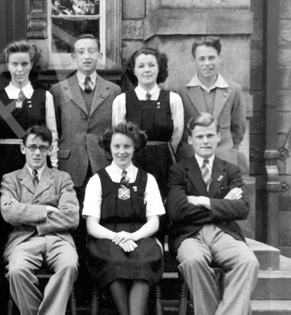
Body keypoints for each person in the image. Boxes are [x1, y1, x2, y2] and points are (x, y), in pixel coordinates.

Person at [167, 113, 259, 315]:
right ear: (190, 139)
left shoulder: (230, 170)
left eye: (210, 135)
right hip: (190, 234)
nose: (205, 141)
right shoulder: (178, 170)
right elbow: (177, 211)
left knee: (248, 262)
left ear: (218, 137)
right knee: (193, 261)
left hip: (224, 233)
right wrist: (221, 204)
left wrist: (203, 201)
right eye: (200, 136)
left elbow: (241, 209)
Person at [83, 122, 164, 315]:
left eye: (127, 146)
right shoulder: (98, 180)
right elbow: (92, 225)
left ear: (135, 147)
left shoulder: (147, 179)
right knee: (116, 266)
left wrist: (135, 236)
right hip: (106, 237)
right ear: (109, 148)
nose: (121, 151)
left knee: (141, 267)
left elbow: (154, 221)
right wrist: (117, 238)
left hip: (140, 235)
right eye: (116, 146)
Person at [0, 125, 79, 315]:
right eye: (32, 147)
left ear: (49, 150)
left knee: (69, 265)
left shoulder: (62, 178)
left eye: (42, 148)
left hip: (58, 238)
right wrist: (45, 209)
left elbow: (71, 216)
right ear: (23, 148)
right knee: (17, 270)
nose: (37, 153)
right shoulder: (11, 178)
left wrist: (35, 222)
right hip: (23, 241)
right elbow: (8, 212)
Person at [50, 34, 120, 192]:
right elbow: (54, 131)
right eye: (81, 52)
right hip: (70, 164)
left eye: (92, 51)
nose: (86, 56)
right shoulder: (59, 90)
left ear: (100, 56)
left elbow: (117, 131)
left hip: (103, 162)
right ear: (74, 57)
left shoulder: (114, 91)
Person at [112, 47, 184, 199]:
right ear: (134, 71)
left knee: (163, 201)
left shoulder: (173, 99)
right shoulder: (122, 100)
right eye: (141, 66)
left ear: (159, 69)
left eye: (152, 65)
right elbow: (118, 135)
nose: (147, 70)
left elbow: (177, 134)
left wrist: (164, 150)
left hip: (164, 161)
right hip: (133, 160)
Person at [0, 40, 58, 182]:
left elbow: (52, 135)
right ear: (7, 66)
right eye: (15, 64)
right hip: (5, 160)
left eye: (24, 64)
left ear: (31, 65)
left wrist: (53, 165)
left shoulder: (44, 96)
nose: (19, 69)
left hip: (37, 159)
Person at [172, 36, 246, 165]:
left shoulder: (234, 89)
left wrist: (226, 147)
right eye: (202, 59)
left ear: (220, 57)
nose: (207, 63)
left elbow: (238, 127)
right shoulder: (180, 91)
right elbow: (178, 129)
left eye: (211, 57)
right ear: (193, 60)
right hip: (191, 160)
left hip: (224, 159)